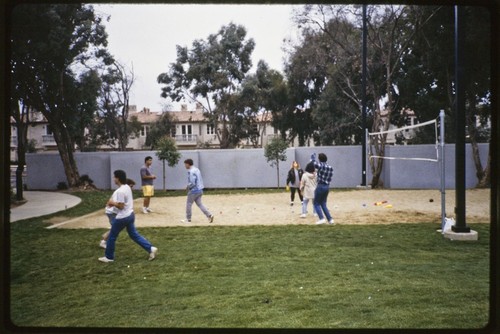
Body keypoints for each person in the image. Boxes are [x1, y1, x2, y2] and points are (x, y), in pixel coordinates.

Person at [98, 170, 158, 263]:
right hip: (130, 215)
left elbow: (121, 206)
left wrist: (112, 203)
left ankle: (109, 257)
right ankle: (150, 249)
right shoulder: (127, 187)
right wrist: (113, 203)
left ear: (118, 178)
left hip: (122, 217)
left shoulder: (120, 191)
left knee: (112, 237)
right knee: (134, 235)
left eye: (114, 177)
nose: (114, 179)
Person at [99, 178, 135, 249]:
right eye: (131, 186)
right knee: (116, 228)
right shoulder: (119, 192)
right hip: (112, 212)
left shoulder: (124, 191)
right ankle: (104, 241)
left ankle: (105, 238)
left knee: (117, 227)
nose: (131, 188)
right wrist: (112, 203)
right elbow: (112, 203)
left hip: (115, 212)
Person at [182, 159, 214, 223]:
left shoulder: (191, 172)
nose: (185, 166)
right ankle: (209, 215)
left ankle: (188, 219)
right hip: (200, 190)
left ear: (188, 164)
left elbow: (192, 182)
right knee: (200, 204)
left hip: (194, 190)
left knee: (189, 204)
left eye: (185, 164)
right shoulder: (197, 169)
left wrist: (188, 187)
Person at [311, 153, 334, 225]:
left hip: (320, 185)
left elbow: (314, 164)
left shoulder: (320, 165)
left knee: (316, 203)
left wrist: (313, 159)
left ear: (320, 159)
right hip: (327, 186)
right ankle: (330, 219)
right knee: (323, 203)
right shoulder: (330, 167)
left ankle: (321, 218)